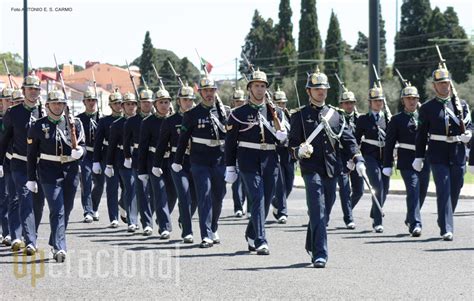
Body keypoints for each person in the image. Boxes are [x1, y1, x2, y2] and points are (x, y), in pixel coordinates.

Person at [289, 67, 365, 268]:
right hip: (310, 168)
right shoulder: (299, 115)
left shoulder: (336, 115)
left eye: (323, 88)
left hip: (332, 168)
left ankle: (311, 242)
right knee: (317, 208)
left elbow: (349, 140)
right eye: (316, 89)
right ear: (309, 91)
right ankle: (320, 254)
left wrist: (359, 159)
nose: (320, 92)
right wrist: (298, 151)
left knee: (326, 210)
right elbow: (291, 145)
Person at [225, 68, 287, 255]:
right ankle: (261, 240)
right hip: (248, 160)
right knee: (258, 197)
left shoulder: (275, 112)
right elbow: (230, 143)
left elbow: (282, 139)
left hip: (269, 160)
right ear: (249, 88)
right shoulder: (238, 113)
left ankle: (251, 233)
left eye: (262, 86)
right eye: (256, 86)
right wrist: (230, 166)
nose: (259, 89)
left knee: (267, 199)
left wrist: (283, 136)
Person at [413, 64, 472, 241]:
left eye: (446, 83)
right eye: (440, 83)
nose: (444, 86)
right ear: (434, 86)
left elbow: (469, 125)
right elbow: (421, 134)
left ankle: (444, 217)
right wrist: (419, 156)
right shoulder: (427, 108)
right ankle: (447, 227)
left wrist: (469, 134)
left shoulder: (461, 105)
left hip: (457, 152)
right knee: (443, 188)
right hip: (438, 153)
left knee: (456, 188)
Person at [27, 89, 85, 262]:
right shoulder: (38, 126)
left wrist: (80, 151)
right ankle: (59, 247)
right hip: (48, 171)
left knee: (67, 209)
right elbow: (31, 154)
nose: (58, 106)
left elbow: (83, 144)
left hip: (70, 170)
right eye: (55, 103)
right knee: (57, 208)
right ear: (47, 105)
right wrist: (31, 178)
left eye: (61, 103)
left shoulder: (74, 123)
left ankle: (55, 238)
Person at [173, 74, 229, 248]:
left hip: (219, 159)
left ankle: (213, 227)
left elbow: (230, 135)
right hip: (199, 161)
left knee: (219, 196)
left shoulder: (223, 111)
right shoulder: (191, 114)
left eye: (212, 90)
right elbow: (183, 140)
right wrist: (178, 160)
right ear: (200, 93)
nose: (209, 94)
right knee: (204, 195)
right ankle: (205, 235)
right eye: (206, 91)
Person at [0, 72, 45, 254]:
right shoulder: (13, 113)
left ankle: (29, 234)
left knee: (38, 203)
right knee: (21, 199)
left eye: (36, 89)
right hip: (19, 163)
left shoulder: (44, 111)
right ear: (23, 90)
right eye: (30, 89)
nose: (33, 92)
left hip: (41, 166)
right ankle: (26, 240)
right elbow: (4, 140)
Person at [383, 84, 430, 236]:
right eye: (408, 99)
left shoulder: (424, 116)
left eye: (414, 99)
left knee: (422, 191)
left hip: (423, 159)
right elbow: (389, 144)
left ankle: (410, 217)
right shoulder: (396, 120)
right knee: (413, 189)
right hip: (406, 160)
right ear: (403, 100)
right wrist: (387, 164)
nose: (411, 101)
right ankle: (416, 223)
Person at [153, 84, 197, 243]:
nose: (188, 103)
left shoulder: (197, 117)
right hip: (177, 162)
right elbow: (162, 145)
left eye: (190, 100)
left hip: (197, 161)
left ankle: (184, 220)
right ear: (179, 101)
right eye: (185, 100)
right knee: (184, 196)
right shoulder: (171, 121)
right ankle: (187, 231)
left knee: (196, 198)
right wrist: (156, 165)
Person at [354, 83, 390, 233]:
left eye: (380, 101)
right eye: (375, 101)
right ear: (370, 103)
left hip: (386, 156)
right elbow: (355, 139)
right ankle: (378, 221)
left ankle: (374, 210)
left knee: (385, 189)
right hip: (369, 155)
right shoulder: (363, 119)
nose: (378, 103)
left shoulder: (388, 118)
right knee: (378, 185)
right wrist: (355, 157)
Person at [105, 92, 138, 232]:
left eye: (133, 104)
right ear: (123, 106)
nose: (130, 107)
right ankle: (132, 220)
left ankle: (124, 207)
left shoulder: (141, 122)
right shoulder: (117, 124)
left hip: (138, 158)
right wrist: (109, 164)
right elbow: (111, 146)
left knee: (135, 189)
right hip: (122, 159)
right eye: (127, 104)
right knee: (130, 187)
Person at [124, 88, 154, 235]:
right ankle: (146, 223)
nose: (147, 104)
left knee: (155, 192)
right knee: (141, 191)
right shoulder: (132, 121)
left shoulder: (158, 119)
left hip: (155, 158)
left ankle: (149, 215)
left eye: (149, 102)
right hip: (138, 157)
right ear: (140, 103)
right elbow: (126, 141)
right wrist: (127, 157)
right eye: (144, 102)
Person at [92, 89, 124, 228]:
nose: (119, 105)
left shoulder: (127, 120)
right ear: (110, 105)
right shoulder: (104, 121)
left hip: (124, 156)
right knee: (112, 188)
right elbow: (98, 142)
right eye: (116, 103)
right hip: (108, 157)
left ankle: (123, 205)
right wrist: (96, 161)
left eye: (120, 103)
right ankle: (114, 217)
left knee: (128, 187)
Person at [335, 90, 363, 229]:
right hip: (341, 157)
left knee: (359, 190)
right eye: (346, 103)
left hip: (356, 156)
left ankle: (348, 209)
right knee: (345, 189)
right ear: (341, 104)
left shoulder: (360, 119)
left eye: (351, 103)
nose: (349, 105)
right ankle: (348, 218)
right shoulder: (336, 118)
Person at [76, 88, 102, 223]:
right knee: (85, 182)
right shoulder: (79, 119)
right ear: (84, 102)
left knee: (99, 183)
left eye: (93, 100)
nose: (91, 103)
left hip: (99, 155)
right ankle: (87, 211)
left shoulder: (101, 118)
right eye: (89, 100)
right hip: (85, 155)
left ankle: (94, 207)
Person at [272, 86, 295, 224]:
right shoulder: (272, 116)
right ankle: (282, 211)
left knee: (289, 183)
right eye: (279, 103)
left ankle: (276, 202)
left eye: (283, 103)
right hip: (277, 150)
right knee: (280, 183)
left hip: (289, 152)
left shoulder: (289, 115)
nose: (281, 105)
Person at [229, 87, 248, 217]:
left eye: (241, 101)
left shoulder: (248, 114)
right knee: (236, 183)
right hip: (234, 151)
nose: (239, 104)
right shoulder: (230, 115)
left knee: (248, 181)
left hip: (246, 151)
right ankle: (238, 207)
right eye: (237, 102)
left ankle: (249, 206)